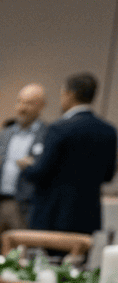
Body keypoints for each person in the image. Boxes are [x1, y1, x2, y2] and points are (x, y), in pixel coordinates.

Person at [25, 72, 118, 236]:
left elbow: (41, 172)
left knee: (49, 261)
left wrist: (27, 166)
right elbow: (108, 175)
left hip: (54, 215)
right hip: (88, 215)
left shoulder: (59, 128)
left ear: (70, 94)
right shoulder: (108, 131)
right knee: (79, 260)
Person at [0, 83, 47, 251]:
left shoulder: (47, 134)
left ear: (41, 106)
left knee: (21, 254)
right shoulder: (5, 134)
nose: (22, 108)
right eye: (20, 102)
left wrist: (34, 166)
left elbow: (49, 171)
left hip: (24, 206)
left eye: (29, 103)